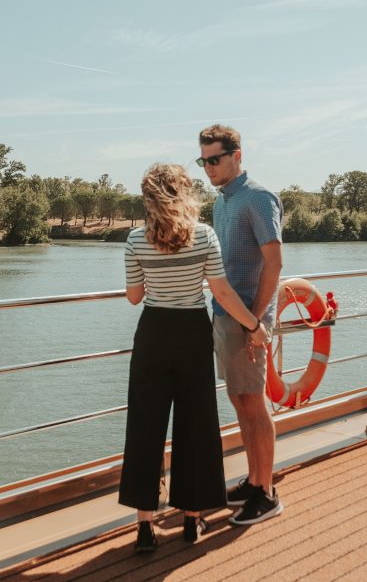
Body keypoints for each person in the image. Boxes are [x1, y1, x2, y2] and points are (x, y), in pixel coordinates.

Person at [119, 163, 272, 552]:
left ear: (149, 200)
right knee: (196, 425)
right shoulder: (204, 236)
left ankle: (144, 527)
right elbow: (221, 292)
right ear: (185, 194)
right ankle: (191, 520)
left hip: (153, 334)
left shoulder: (135, 240)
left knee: (145, 427)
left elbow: (134, 297)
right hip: (191, 333)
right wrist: (253, 325)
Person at [197, 124, 284, 526]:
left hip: (248, 320)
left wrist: (256, 321)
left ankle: (266, 493)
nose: (209, 168)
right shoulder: (220, 203)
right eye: (204, 161)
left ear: (237, 155)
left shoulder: (258, 198)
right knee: (240, 400)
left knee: (254, 402)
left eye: (215, 159)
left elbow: (274, 263)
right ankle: (254, 480)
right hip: (223, 314)